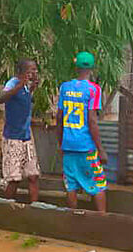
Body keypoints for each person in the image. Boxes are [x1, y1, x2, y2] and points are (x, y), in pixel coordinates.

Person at [56, 51, 108, 213]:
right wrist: (101, 149)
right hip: (86, 146)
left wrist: (61, 143)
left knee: (71, 184)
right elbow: (92, 120)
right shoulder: (94, 90)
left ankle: (74, 219)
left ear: (76, 66)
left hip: (69, 145)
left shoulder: (65, 87)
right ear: (92, 68)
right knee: (98, 184)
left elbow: (59, 118)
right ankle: (102, 219)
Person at [0, 59, 40, 202]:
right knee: (14, 179)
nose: (35, 72)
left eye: (35, 70)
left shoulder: (28, 87)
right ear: (23, 72)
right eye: (31, 70)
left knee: (33, 175)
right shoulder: (13, 83)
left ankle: (35, 207)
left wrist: (31, 88)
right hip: (13, 138)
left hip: (26, 137)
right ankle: (9, 207)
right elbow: (1, 98)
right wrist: (19, 86)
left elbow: (25, 103)